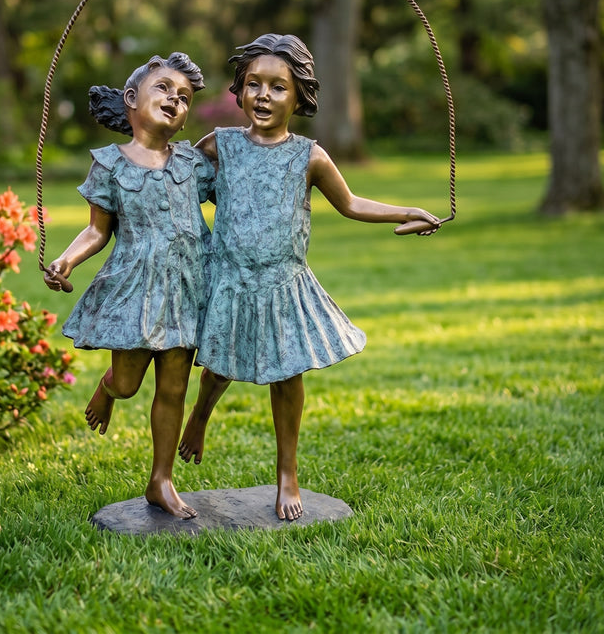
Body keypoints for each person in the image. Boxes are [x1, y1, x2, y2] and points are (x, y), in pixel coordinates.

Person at [178, 33, 440, 521]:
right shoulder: (219, 146)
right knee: (217, 364)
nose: (263, 95)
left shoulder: (309, 156)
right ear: (237, 90)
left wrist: (407, 211)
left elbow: (352, 203)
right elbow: (178, 188)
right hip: (231, 277)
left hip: (284, 281)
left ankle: (287, 472)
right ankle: (200, 415)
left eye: (278, 87)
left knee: (287, 374)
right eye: (253, 84)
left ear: (299, 96)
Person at [45, 52, 214, 520]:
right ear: (131, 99)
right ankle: (107, 387)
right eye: (164, 89)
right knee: (128, 382)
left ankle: (160, 480)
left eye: (184, 98)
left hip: (186, 286)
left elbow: (234, 192)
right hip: (136, 290)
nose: (175, 100)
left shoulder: (194, 163)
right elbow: (97, 231)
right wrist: (66, 259)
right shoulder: (110, 166)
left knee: (174, 388)